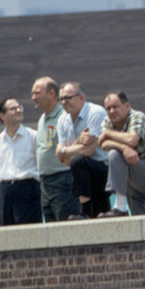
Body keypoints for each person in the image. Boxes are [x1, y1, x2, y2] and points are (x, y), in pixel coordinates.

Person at [99, 91, 145, 216]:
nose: (112, 111)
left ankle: (120, 208)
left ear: (127, 106)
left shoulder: (138, 117)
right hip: (132, 182)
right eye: (108, 108)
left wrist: (108, 134)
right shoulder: (107, 121)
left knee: (114, 154)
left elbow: (132, 139)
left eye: (115, 106)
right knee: (142, 224)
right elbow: (103, 144)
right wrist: (124, 148)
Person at [55, 81, 112, 218]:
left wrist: (64, 150)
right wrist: (78, 141)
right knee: (100, 217)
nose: (64, 102)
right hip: (84, 176)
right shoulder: (62, 120)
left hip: (104, 170)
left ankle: (84, 212)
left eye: (68, 98)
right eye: (61, 99)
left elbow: (89, 151)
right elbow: (63, 160)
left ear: (81, 98)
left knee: (78, 160)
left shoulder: (95, 113)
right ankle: (88, 214)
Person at [0, 97, 42, 226]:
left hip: (28, 188)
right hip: (5, 190)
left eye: (19, 107)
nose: (18, 110)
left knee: (29, 231)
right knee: (6, 232)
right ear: (2, 115)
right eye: (13, 108)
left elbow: (41, 165)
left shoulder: (33, 136)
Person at [31, 76, 79, 222]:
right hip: (45, 182)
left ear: (52, 93)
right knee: (51, 232)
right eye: (32, 94)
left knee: (66, 228)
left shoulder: (65, 117)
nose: (33, 98)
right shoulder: (42, 119)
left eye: (37, 93)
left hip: (63, 179)